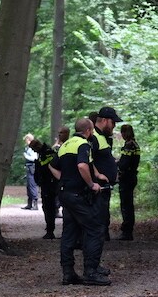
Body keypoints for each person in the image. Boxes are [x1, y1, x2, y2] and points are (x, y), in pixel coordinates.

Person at [49, 118, 110, 286]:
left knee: (70, 232)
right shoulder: (83, 145)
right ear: (89, 131)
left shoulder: (66, 145)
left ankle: (68, 273)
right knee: (95, 229)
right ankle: (91, 271)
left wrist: (64, 178)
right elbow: (83, 165)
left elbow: (52, 165)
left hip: (65, 194)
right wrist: (91, 184)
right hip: (78, 195)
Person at [90, 106, 122, 241]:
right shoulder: (94, 137)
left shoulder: (103, 137)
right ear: (104, 120)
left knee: (103, 213)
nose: (114, 126)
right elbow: (87, 160)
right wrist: (97, 175)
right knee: (97, 214)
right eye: (112, 122)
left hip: (105, 186)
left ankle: (102, 237)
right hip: (97, 186)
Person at [30, 138, 59, 238]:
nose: (34, 151)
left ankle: (50, 230)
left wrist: (38, 164)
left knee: (49, 207)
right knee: (47, 207)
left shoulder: (47, 153)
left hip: (49, 184)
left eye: (33, 149)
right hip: (46, 184)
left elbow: (46, 168)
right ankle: (49, 229)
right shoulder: (43, 153)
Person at [116, 123, 141, 241]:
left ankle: (127, 231)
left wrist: (116, 164)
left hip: (127, 178)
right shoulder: (135, 145)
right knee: (128, 204)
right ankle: (128, 229)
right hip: (132, 176)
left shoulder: (129, 145)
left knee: (126, 205)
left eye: (123, 132)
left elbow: (125, 163)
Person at [21, 133, 39, 210]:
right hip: (29, 168)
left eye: (26, 140)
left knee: (32, 185)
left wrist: (25, 156)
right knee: (29, 186)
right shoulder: (28, 148)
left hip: (32, 168)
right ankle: (30, 203)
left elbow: (34, 158)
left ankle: (35, 204)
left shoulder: (33, 148)